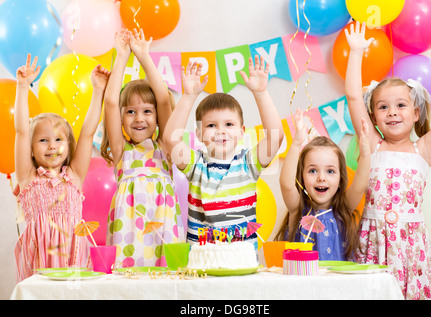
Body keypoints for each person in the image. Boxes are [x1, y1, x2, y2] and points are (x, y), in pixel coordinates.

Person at [345, 21, 431, 299]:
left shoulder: (423, 150)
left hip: (411, 247)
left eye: (401, 105)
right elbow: (354, 97)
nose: (392, 112)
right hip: (372, 241)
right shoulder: (372, 143)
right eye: (383, 107)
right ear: (374, 116)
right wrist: (356, 53)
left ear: (416, 113)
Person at [163, 56, 284, 249]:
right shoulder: (196, 166)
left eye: (229, 124)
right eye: (211, 125)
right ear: (200, 134)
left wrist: (261, 94)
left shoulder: (248, 163)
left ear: (241, 131)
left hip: (241, 264)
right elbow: (170, 139)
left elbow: (275, 138)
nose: (221, 130)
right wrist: (188, 97)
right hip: (202, 264)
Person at [13, 54, 109, 281]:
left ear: (68, 145)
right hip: (38, 260)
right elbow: (21, 131)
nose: (52, 146)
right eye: (43, 140)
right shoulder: (28, 177)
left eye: (58, 140)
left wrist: (98, 91)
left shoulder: (74, 176)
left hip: (73, 259)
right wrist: (23, 87)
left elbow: (87, 132)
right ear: (32, 148)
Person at [101, 29, 184, 268]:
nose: (139, 118)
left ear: (157, 117)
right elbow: (110, 101)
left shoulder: (166, 146)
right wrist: (122, 55)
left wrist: (144, 55)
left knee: (164, 283)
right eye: (131, 112)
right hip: (127, 233)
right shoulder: (121, 150)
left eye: (147, 111)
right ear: (121, 117)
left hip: (163, 228)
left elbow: (163, 99)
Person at [275, 109, 370, 261]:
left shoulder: (343, 208)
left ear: (340, 179)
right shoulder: (297, 209)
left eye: (330, 171)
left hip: (338, 283)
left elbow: (359, 185)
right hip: (304, 282)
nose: (321, 178)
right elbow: (286, 184)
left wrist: (365, 154)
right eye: (312, 170)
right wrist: (296, 143)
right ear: (302, 177)